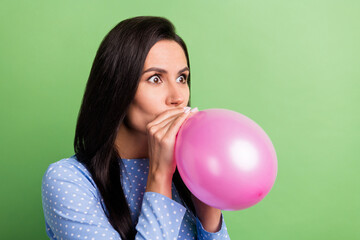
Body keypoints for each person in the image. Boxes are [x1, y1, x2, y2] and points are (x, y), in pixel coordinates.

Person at [41, 16, 230, 240]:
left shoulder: (188, 171)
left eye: (182, 78)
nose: (178, 97)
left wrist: (208, 203)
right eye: (155, 79)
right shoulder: (68, 180)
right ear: (117, 88)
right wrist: (160, 175)